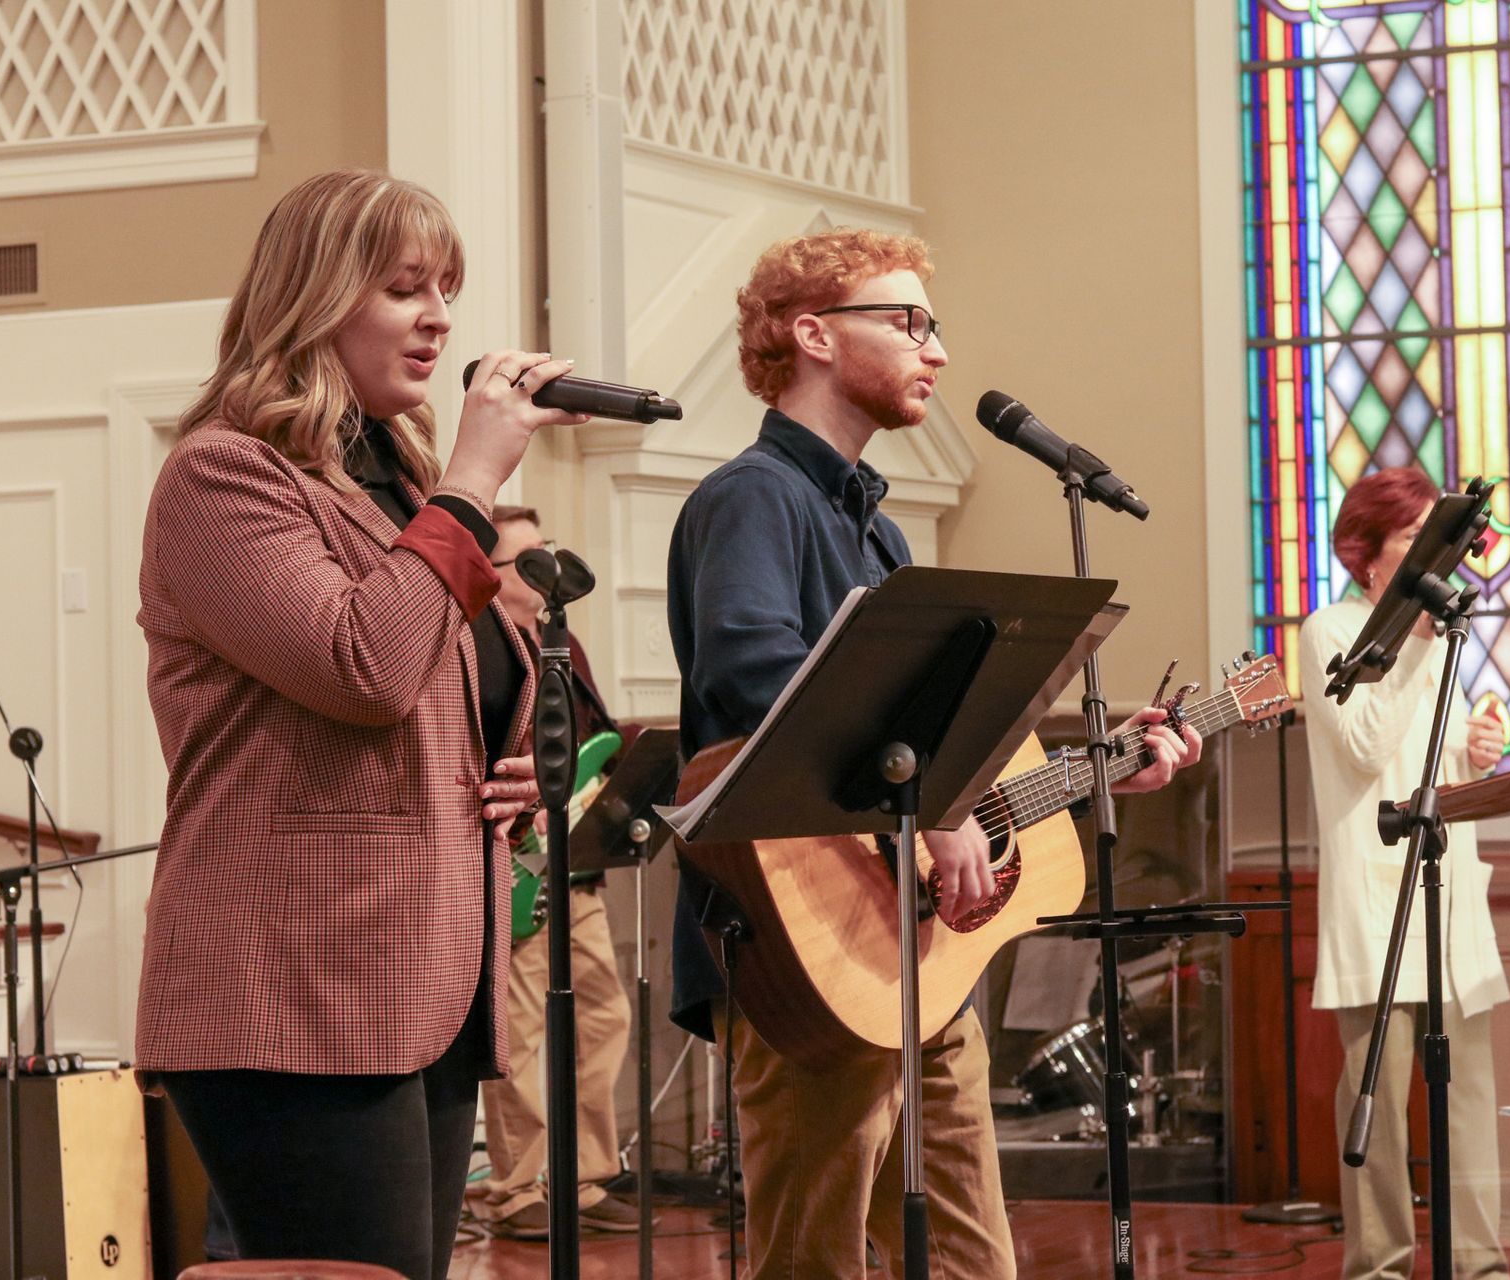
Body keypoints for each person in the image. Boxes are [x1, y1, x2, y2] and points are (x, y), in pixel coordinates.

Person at [666, 227, 1201, 1279]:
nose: (937, 350)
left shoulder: (881, 534)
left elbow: (939, 734)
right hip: (806, 944)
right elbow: (754, 682)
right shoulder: (753, 498)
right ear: (814, 334)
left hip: (915, 962)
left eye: (931, 323)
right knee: (808, 1262)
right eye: (906, 320)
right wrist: (931, 807)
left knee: (974, 1265)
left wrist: (1103, 760)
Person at [134, 168, 587, 1280]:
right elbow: (364, 666)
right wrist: (476, 476)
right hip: (294, 987)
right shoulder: (224, 475)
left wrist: (512, 769)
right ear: (315, 297)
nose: (439, 316)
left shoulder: (398, 484)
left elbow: (441, 692)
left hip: (422, 971)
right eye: (403, 287)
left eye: (447, 288)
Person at [1297, 466, 1510, 1280]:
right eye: (1415, 537)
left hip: (1450, 905)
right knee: (1378, 1115)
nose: (1437, 555)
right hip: (1373, 909)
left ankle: (1480, 1267)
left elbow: (1437, 767)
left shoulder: (1442, 632)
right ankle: (1380, 1266)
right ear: (1370, 552)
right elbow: (1363, 749)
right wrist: (1418, 638)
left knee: (1469, 1109)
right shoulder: (1331, 630)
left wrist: (1475, 751)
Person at [477, 505, 639, 1238]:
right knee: (519, 1038)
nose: (547, 568)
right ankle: (514, 1191)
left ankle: (588, 1176)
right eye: (528, 559)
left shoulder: (562, 642)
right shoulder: (476, 645)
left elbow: (586, 747)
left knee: (604, 1016)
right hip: (517, 871)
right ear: (492, 574)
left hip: (577, 872)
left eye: (549, 552)